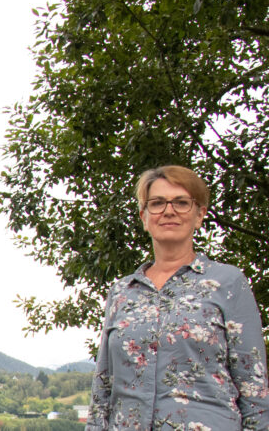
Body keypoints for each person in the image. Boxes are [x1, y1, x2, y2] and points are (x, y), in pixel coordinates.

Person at [87, 165, 269, 430]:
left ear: (199, 215)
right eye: (157, 203)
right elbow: (102, 388)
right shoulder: (122, 292)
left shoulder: (227, 283)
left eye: (181, 203)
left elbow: (255, 392)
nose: (169, 211)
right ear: (144, 216)